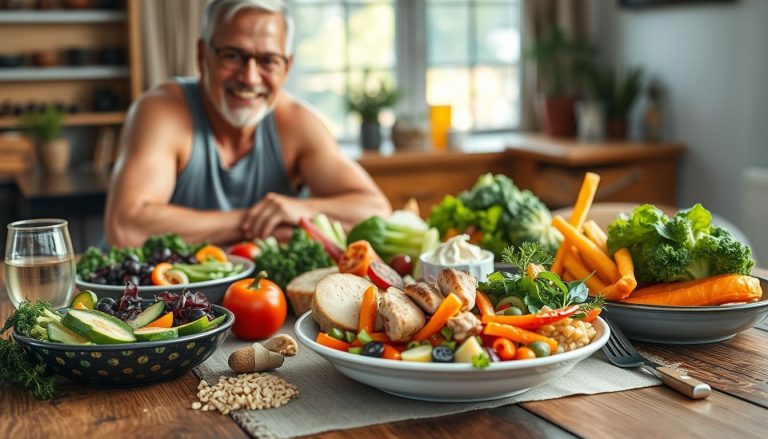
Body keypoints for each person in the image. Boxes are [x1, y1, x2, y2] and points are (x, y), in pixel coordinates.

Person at [104, 0, 390, 247]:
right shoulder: (161, 110)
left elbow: (376, 212)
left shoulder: (298, 124)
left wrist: (298, 209)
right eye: (233, 56)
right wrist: (256, 222)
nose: (250, 77)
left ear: (286, 68)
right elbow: (127, 228)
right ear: (203, 56)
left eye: (268, 61)